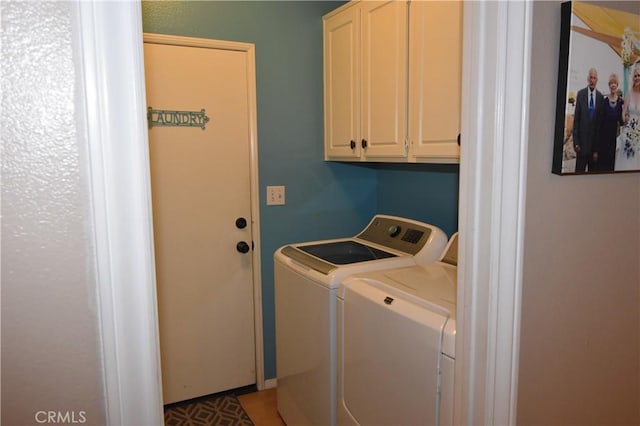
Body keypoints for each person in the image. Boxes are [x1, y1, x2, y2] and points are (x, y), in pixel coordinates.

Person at [573, 68, 603, 172]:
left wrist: (597, 150)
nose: (592, 80)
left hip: (593, 149)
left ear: (597, 80)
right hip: (581, 147)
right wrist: (576, 143)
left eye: (594, 78)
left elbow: (599, 125)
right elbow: (576, 120)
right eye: (591, 77)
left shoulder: (600, 97)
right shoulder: (581, 94)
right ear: (587, 78)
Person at [593, 73, 624, 172]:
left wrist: (626, 115)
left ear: (617, 85)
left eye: (615, 83)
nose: (613, 85)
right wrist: (596, 149)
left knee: (610, 169)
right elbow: (598, 125)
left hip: (612, 143)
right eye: (611, 83)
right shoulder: (604, 102)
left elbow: (622, 122)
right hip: (602, 142)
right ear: (609, 85)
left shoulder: (620, 103)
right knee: (600, 168)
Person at [615, 63, 640, 171]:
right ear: (633, 78)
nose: (637, 78)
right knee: (627, 157)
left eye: (639, 75)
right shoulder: (629, 94)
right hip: (629, 130)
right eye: (635, 76)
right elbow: (623, 112)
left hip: (639, 131)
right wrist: (625, 118)